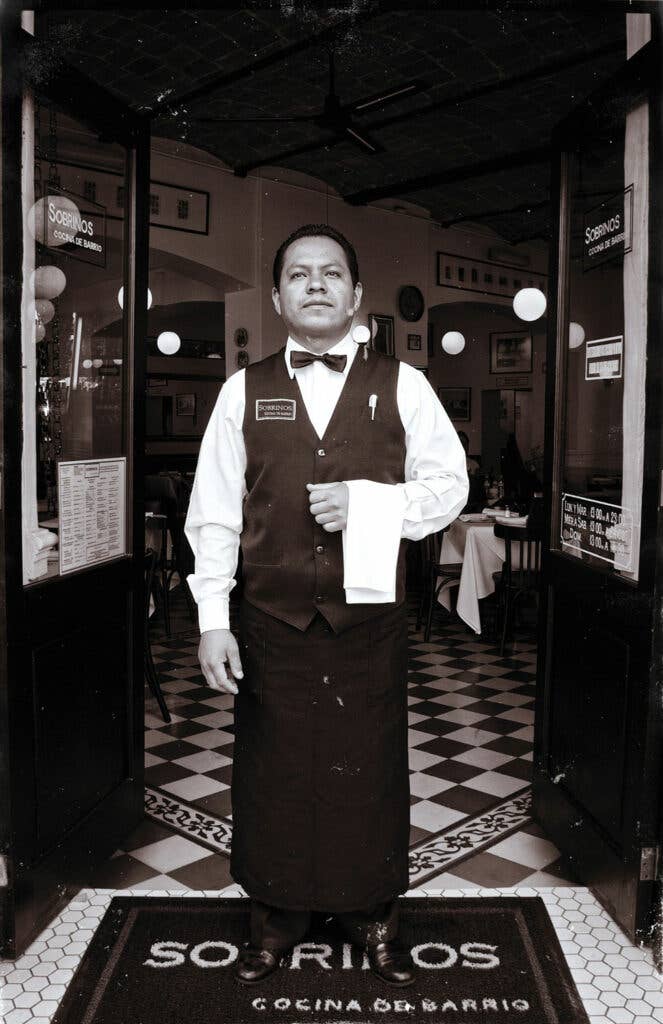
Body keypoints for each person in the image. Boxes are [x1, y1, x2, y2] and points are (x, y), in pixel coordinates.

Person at [184, 224, 468, 987]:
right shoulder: (241, 390)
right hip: (270, 620)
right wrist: (213, 618)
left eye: (331, 273)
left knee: (366, 772)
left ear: (356, 295)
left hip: (366, 623)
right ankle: (274, 921)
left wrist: (374, 504)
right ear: (276, 297)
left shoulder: (404, 384)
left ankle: (372, 914)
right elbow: (213, 512)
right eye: (300, 274)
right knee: (271, 774)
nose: (316, 284)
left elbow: (450, 487)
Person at [457, 431, 485, 512]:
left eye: (465, 444)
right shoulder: (447, 463)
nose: (463, 446)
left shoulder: (474, 464)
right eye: (460, 443)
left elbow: (479, 489)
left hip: (471, 503)